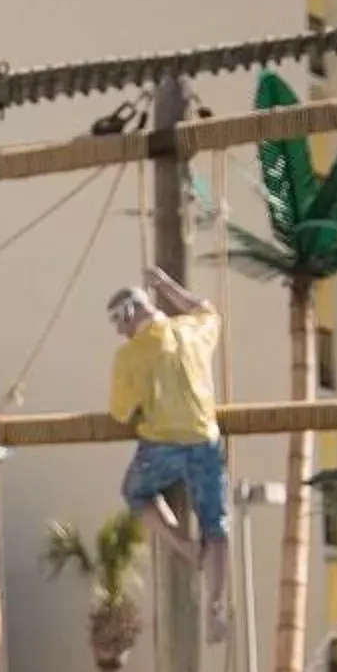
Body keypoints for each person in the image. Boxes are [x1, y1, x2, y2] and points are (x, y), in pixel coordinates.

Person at [107, 264, 230, 639]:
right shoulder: (192, 331)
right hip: (204, 437)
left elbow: (120, 412)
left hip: (162, 444)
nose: (119, 331)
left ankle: (185, 547)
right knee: (217, 523)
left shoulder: (130, 356)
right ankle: (218, 602)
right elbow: (207, 309)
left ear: (129, 316)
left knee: (135, 492)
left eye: (118, 322)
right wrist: (167, 285)